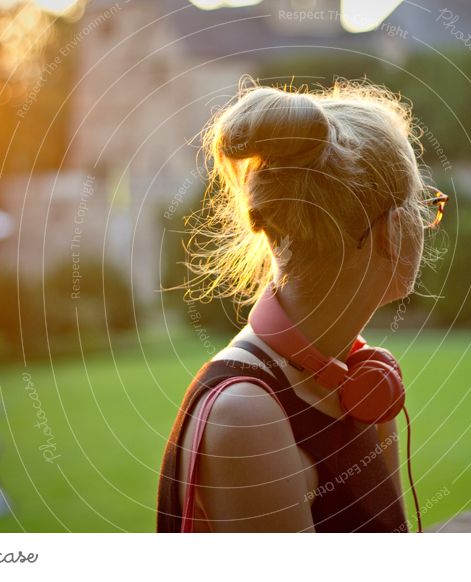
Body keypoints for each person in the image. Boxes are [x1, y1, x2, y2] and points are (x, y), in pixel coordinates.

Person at [156, 78, 447, 532]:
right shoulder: (247, 417)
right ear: (392, 230)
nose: (428, 222)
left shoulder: (358, 383)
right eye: (425, 206)